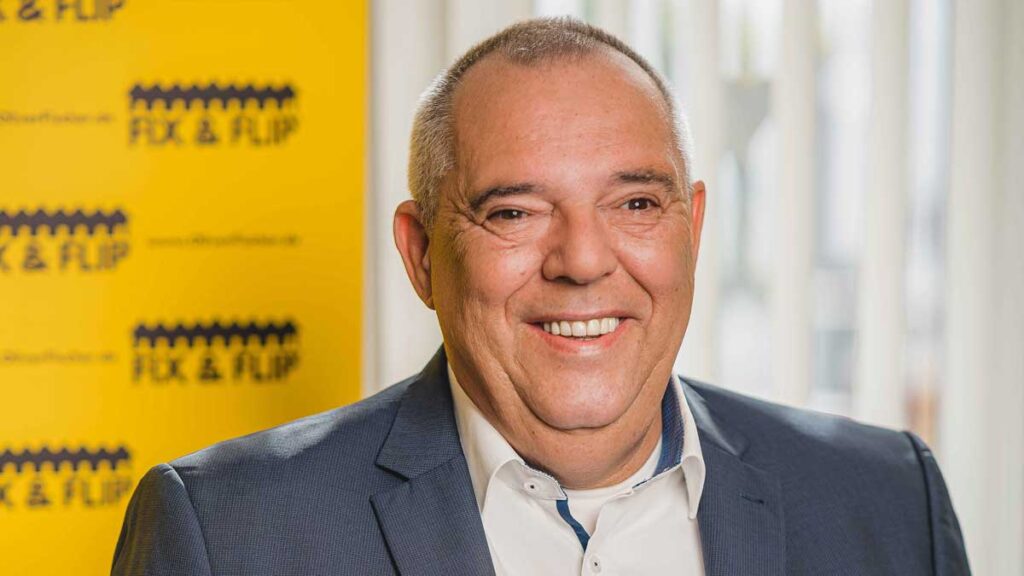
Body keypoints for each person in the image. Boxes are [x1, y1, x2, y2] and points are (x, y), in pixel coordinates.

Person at [112, 17, 971, 576]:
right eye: (515, 213)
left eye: (636, 204)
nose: (583, 261)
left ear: (694, 228)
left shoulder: (887, 505)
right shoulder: (229, 534)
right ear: (421, 255)